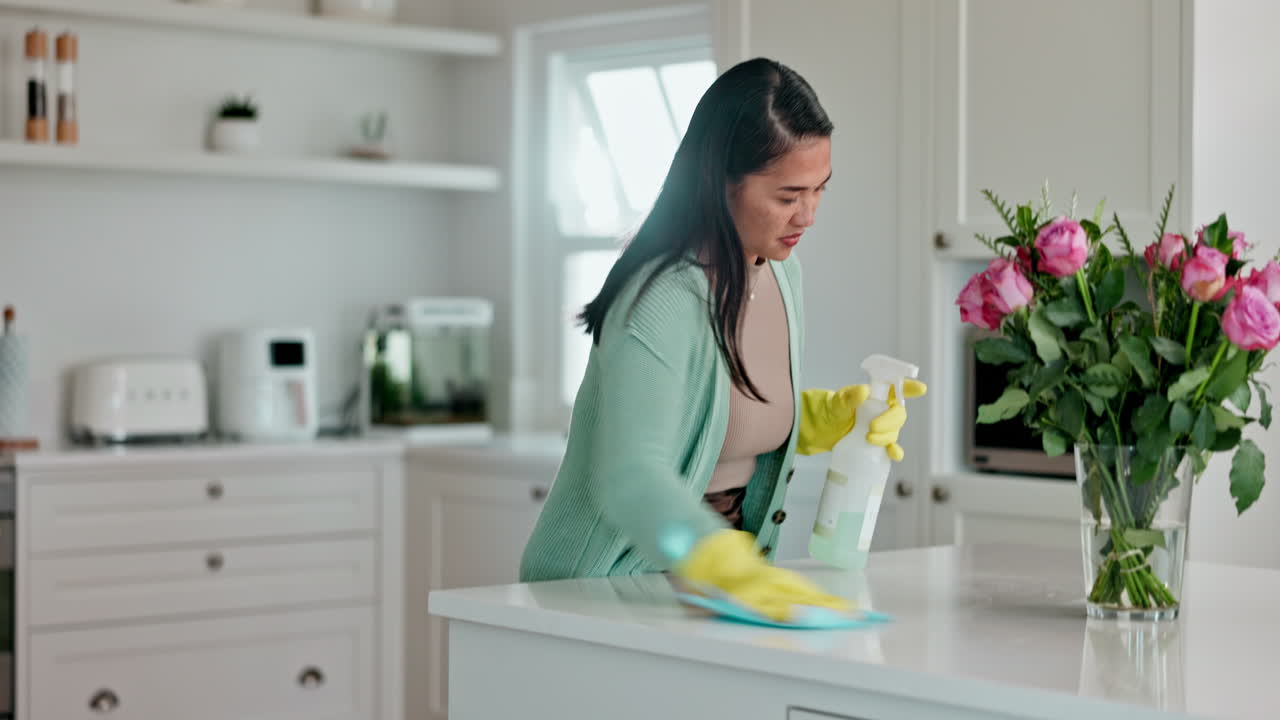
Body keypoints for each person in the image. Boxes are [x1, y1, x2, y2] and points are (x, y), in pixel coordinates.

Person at [519, 57, 925, 621]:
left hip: (697, 588)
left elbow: (712, 417)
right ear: (722, 183)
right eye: (787, 196)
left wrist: (822, 418)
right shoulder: (659, 298)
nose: (808, 214)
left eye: (819, 190)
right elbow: (632, 474)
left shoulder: (782, 273)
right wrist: (717, 560)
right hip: (601, 589)